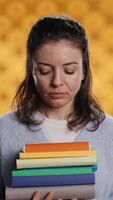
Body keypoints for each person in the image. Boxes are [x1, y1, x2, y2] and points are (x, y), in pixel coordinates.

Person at [0, 15, 113, 200]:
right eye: (44, 70)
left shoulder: (110, 132)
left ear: (84, 69)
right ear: (31, 70)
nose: (57, 82)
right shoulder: (3, 130)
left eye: (69, 70)